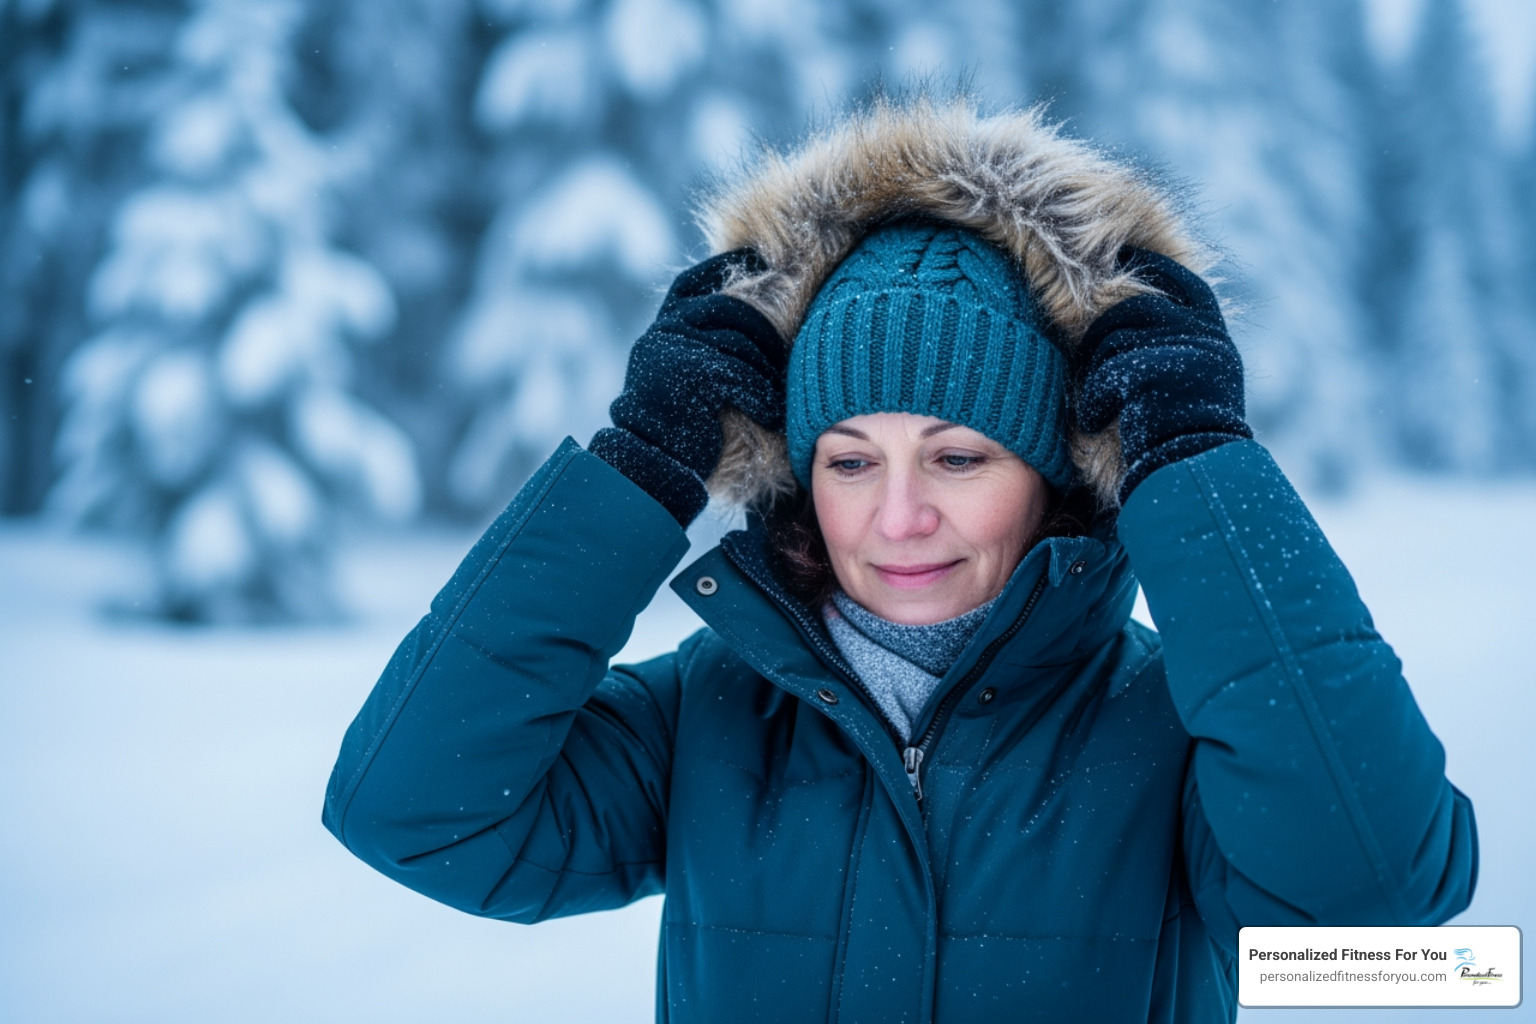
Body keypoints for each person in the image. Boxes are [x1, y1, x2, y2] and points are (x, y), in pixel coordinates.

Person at [322, 97, 1476, 1023]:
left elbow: (1374, 917)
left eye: (961, 456)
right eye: (849, 460)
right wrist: (640, 465)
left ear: (1053, 476)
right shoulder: (707, 715)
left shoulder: (1176, 729)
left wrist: (1194, 461)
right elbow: (415, 810)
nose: (898, 518)